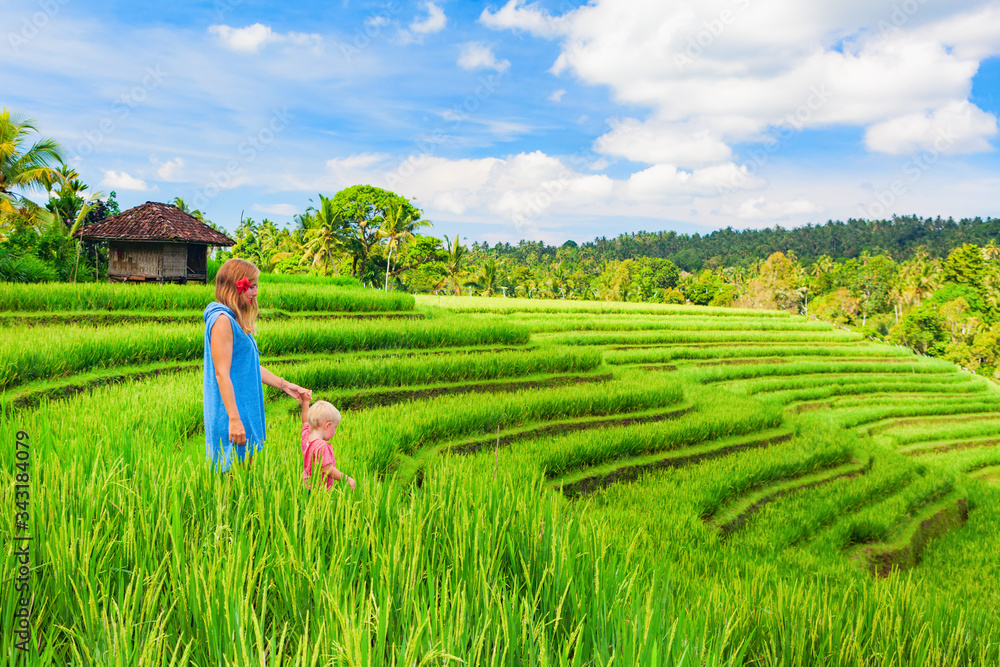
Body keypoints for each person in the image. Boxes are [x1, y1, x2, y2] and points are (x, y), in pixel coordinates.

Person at [204, 258, 309, 473]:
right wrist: (234, 419)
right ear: (236, 287)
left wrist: (285, 385)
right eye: (251, 287)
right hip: (232, 414)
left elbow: (247, 366)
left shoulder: (234, 319)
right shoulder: (222, 320)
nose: (255, 293)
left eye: (256, 287)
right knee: (233, 484)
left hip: (243, 410)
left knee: (244, 480)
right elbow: (222, 374)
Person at [299, 391, 355, 491]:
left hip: (306, 487)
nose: (335, 432)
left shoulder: (306, 437)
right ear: (327, 425)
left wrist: (305, 402)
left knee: (306, 507)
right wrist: (347, 479)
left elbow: (305, 421)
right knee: (325, 506)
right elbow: (328, 470)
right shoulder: (321, 446)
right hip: (319, 491)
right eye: (335, 427)